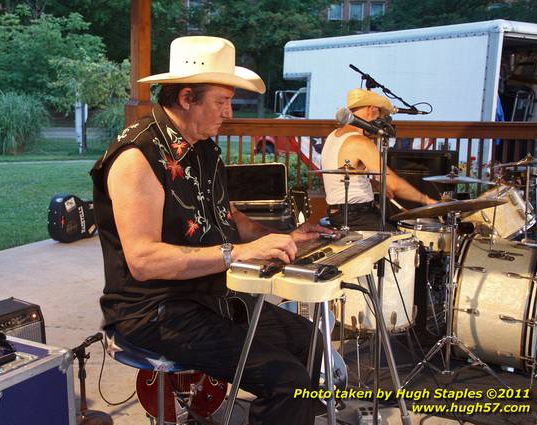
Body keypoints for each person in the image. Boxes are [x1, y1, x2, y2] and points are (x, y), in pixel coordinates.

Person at [91, 36, 329, 425]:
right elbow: (144, 261)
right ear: (187, 98)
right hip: (155, 310)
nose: (229, 112)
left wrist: (280, 236)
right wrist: (236, 253)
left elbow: (227, 217)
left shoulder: (202, 147)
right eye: (221, 101)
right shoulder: (137, 156)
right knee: (286, 381)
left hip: (210, 295)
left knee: (309, 338)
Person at [321, 88, 437, 230]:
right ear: (372, 108)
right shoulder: (359, 141)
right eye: (380, 114)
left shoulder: (334, 135)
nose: (380, 119)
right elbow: (393, 183)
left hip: (339, 213)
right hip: (355, 216)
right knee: (400, 241)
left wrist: (375, 184)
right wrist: (426, 200)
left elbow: (342, 177)